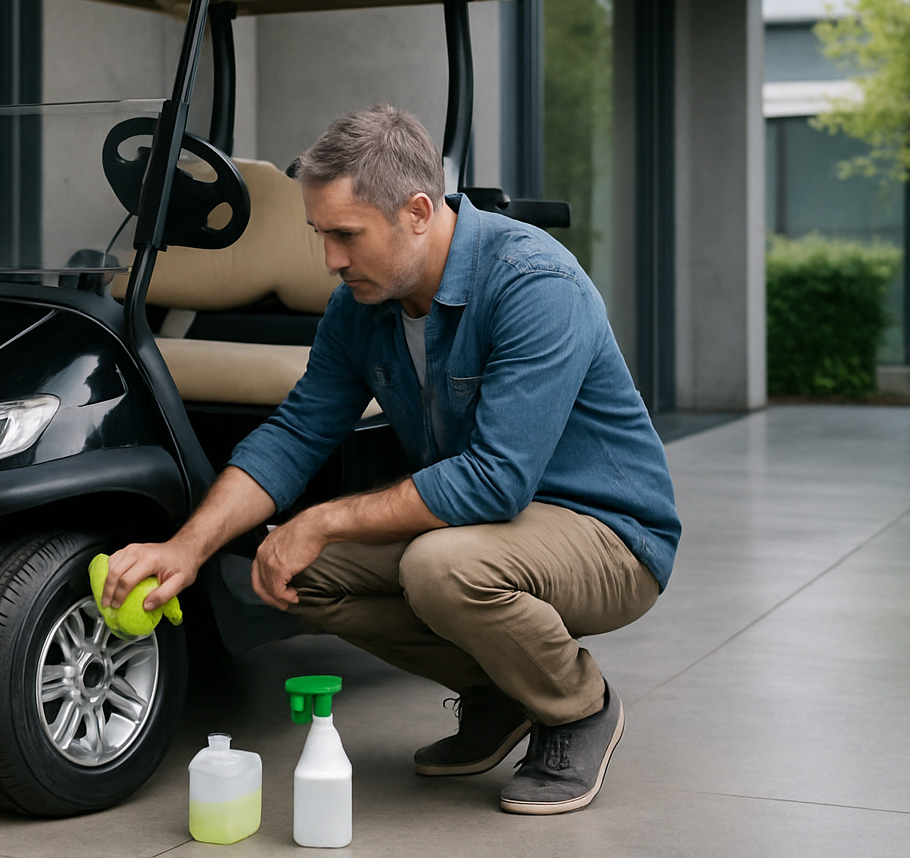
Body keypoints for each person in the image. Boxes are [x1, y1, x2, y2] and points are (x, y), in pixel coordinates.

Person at [102, 103, 680, 815]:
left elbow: (497, 481)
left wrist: (322, 519)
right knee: (290, 572)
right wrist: (185, 546)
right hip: (488, 526)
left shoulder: (533, 283)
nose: (330, 261)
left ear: (415, 211)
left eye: (346, 235)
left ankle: (577, 708)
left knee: (438, 569)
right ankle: (503, 692)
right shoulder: (359, 306)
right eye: (321, 235)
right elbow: (295, 435)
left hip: (608, 534)